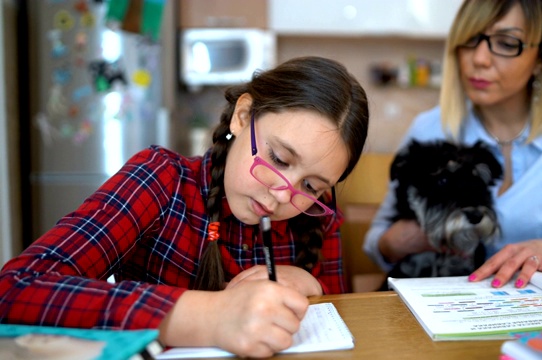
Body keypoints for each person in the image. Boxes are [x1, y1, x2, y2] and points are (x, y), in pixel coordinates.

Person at [0, 56, 369, 358]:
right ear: (243, 117)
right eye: (279, 158)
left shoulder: (316, 217)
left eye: (311, 186)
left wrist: (311, 286)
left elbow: (336, 333)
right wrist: (205, 317)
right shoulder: (162, 180)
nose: (286, 196)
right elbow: (14, 290)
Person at [364, 0, 542, 289]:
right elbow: (377, 243)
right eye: (470, 39)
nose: (479, 58)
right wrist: (399, 241)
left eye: (506, 43)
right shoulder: (430, 129)